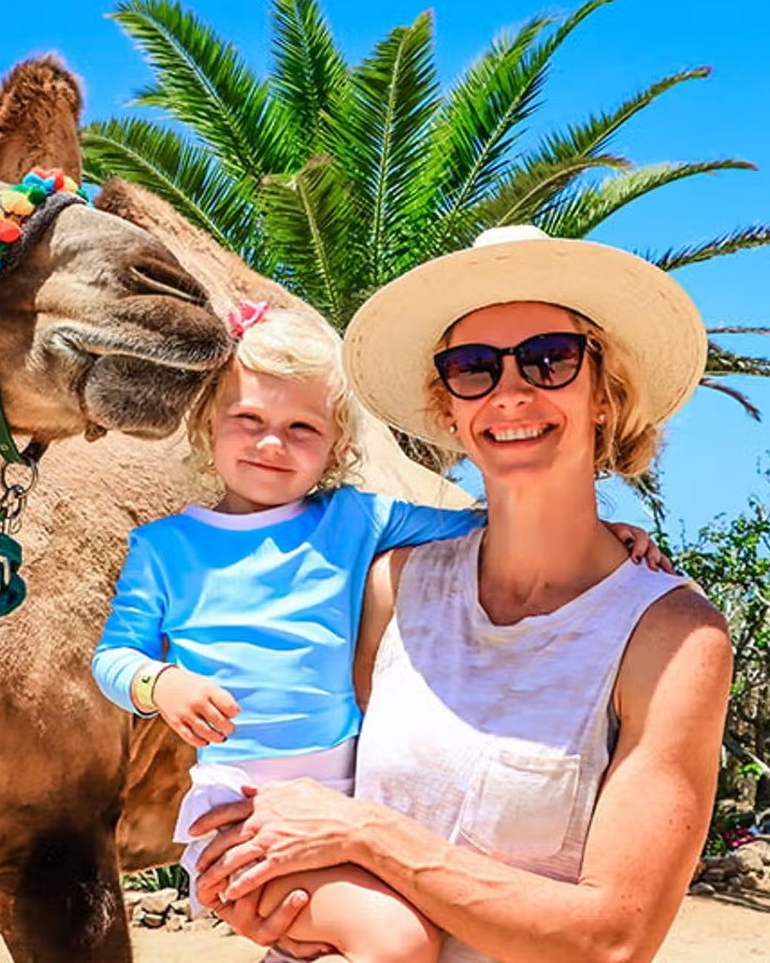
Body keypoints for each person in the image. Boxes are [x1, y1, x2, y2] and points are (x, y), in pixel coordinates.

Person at [191, 225, 733, 963]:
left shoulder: (671, 640)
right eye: (473, 368)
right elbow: (298, 781)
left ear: (604, 395)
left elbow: (615, 938)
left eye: (550, 360)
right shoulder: (391, 587)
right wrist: (259, 888)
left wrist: (369, 835)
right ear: (448, 407)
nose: (510, 392)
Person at [92, 300, 664, 963]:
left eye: (302, 428)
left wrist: (604, 533)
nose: (272, 443)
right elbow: (115, 655)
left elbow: (493, 521)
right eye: (248, 420)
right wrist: (160, 683)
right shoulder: (165, 547)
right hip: (242, 806)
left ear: (338, 446)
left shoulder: (356, 519)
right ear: (206, 425)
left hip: (347, 800)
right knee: (396, 938)